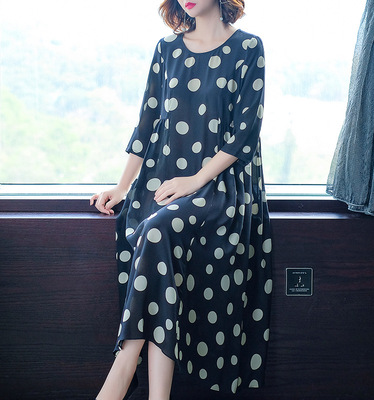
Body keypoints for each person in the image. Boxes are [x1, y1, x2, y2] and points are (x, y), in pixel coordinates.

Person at [90, 0, 273, 399]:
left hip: (222, 186)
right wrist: (122, 187)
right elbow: (147, 122)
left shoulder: (248, 47)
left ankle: (123, 367)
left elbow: (245, 134)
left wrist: (195, 181)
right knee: (158, 245)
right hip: (164, 181)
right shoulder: (167, 49)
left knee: (156, 232)